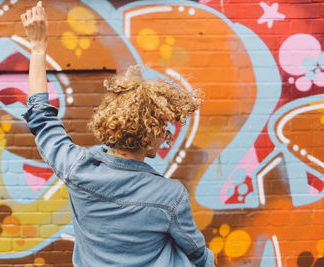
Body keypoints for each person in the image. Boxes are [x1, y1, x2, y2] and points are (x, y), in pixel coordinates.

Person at [20, 2, 214, 266]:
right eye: (164, 128)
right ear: (151, 135)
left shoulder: (77, 169)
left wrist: (38, 47)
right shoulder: (170, 196)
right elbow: (197, 254)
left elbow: (41, 116)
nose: (167, 134)